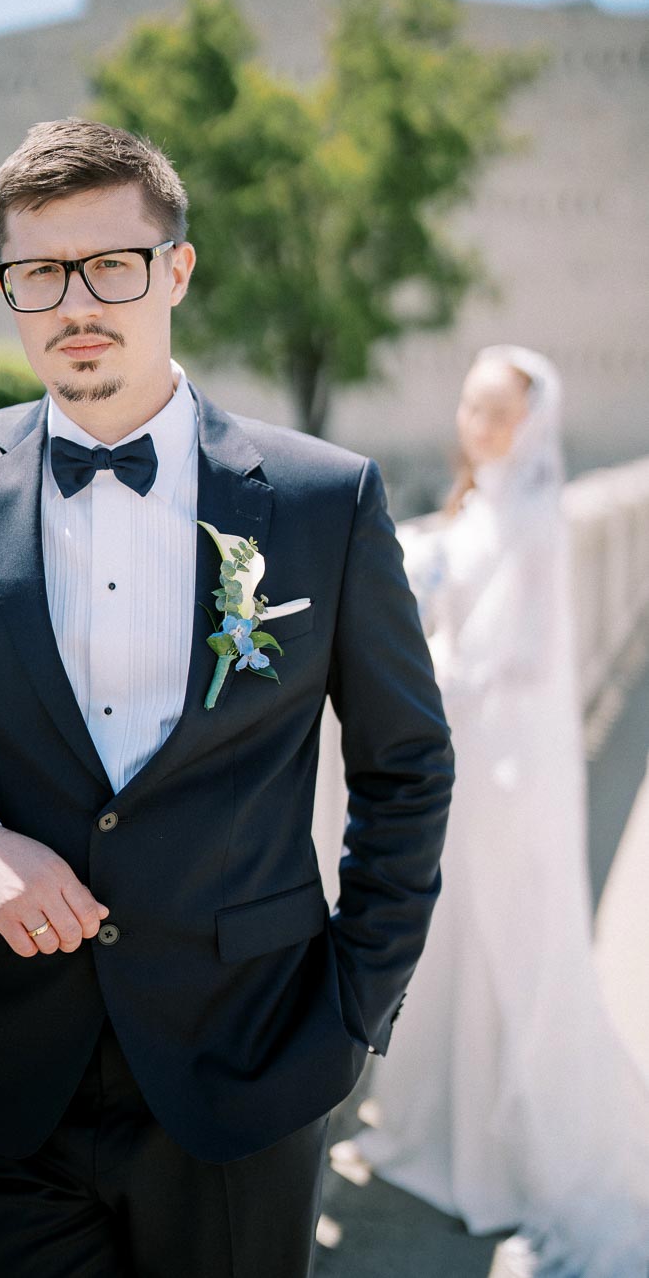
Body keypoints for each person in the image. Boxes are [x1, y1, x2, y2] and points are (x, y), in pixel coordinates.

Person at [0, 119, 453, 1278]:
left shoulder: (325, 499)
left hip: (256, 1065)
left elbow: (407, 766)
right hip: (16, 1086)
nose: (77, 302)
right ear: (10, 293)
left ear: (175, 270)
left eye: (111, 265)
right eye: (39, 273)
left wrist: (353, 1014)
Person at [331, 346, 649, 1276]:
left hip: (499, 776)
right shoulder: (479, 503)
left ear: (530, 422)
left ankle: (503, 1154)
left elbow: (491, 661)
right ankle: (447, 1132)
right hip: (470, 764)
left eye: (498, 412)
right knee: (453, 949)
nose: (480, 425)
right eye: (473, 407)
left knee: (503, 951)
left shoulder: (536, 521)